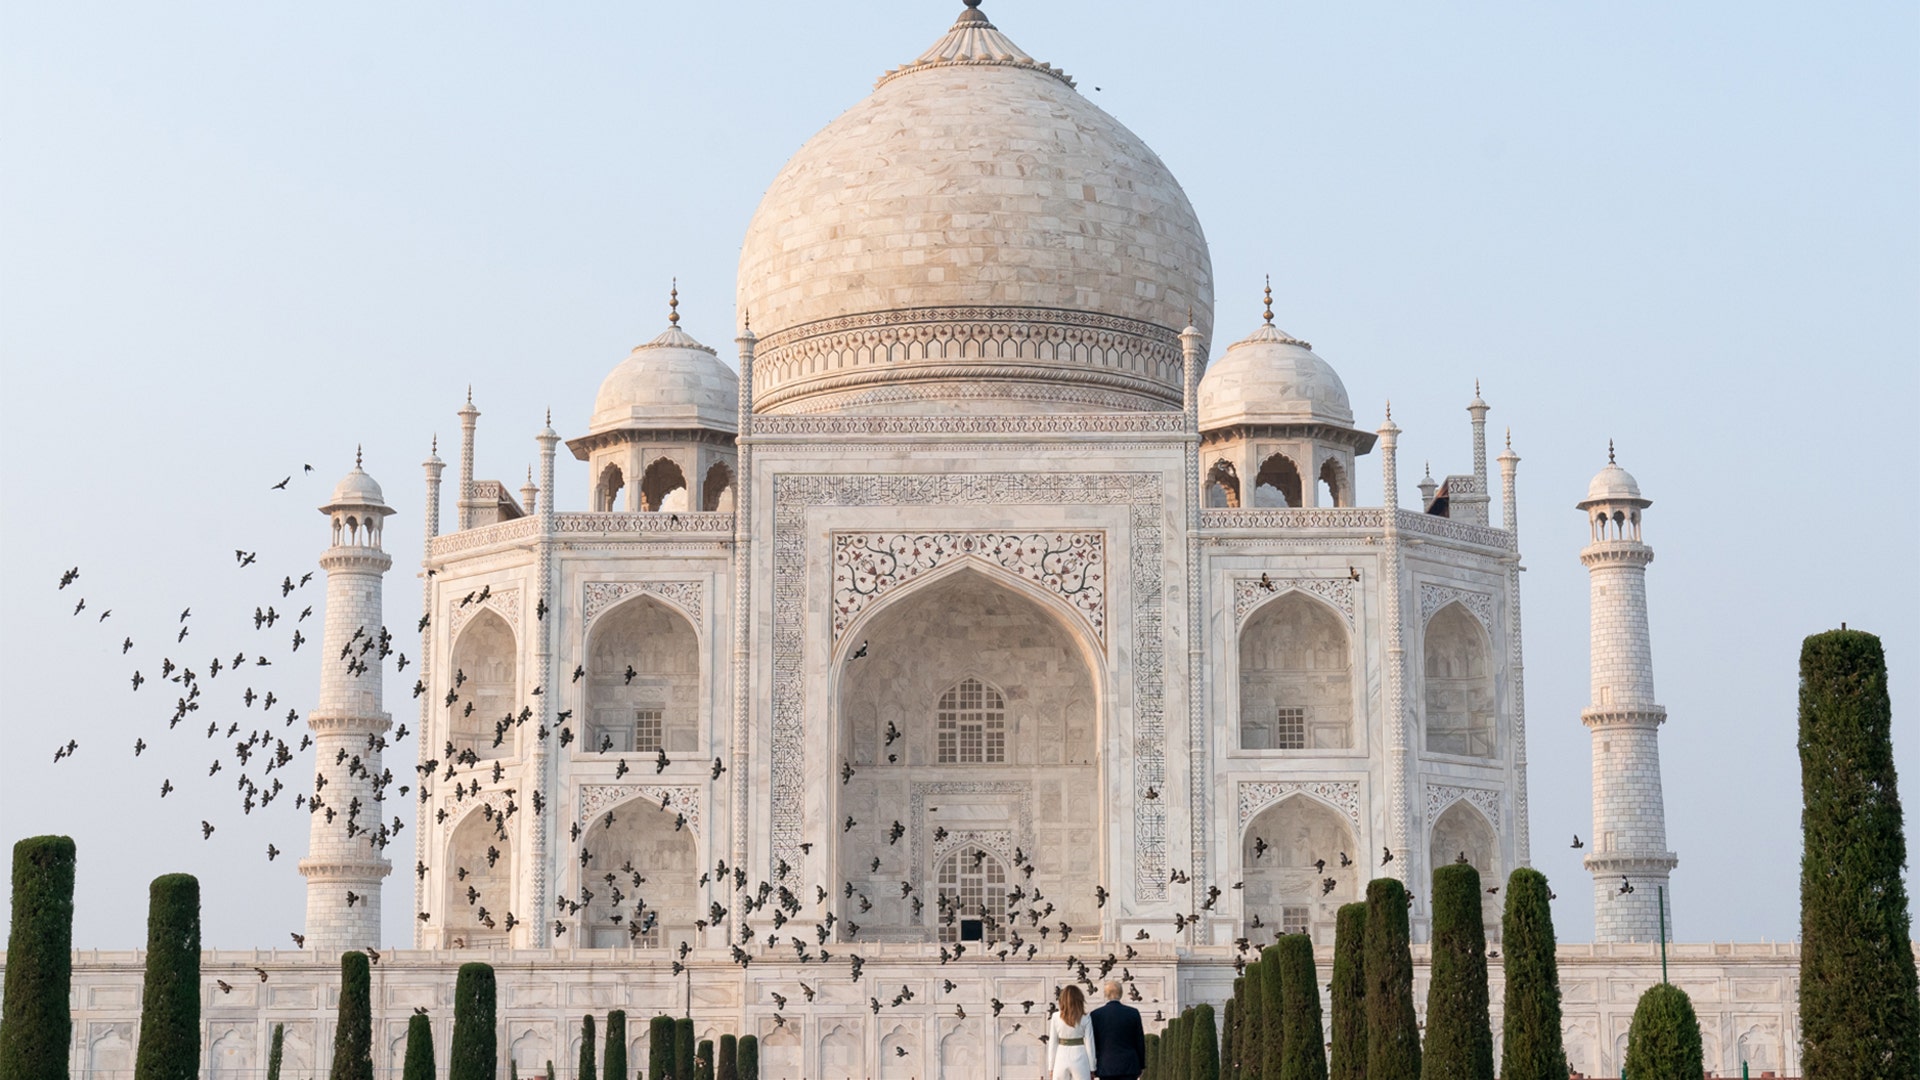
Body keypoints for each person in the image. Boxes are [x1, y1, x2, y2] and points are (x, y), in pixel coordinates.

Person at [1089, 979, 1147, 1080]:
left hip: (1106, 1066)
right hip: (1129, 1066)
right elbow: (1139, 1041)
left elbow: (1093, 1043)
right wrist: (1141, 1065)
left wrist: (1092, 1067)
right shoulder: (1133, 1013)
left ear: (1106, 994)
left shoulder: (1096, 1015)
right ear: (1121, 993)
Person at [1046, 984, 1097, 1080]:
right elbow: (1090, 1044)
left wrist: (1051, 1067)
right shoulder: (1085, 1018)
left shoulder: (1056, 1017)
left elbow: (1053, 1044)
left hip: (1061, 1057)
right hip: (1081, 1056)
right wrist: (1092, 1068)